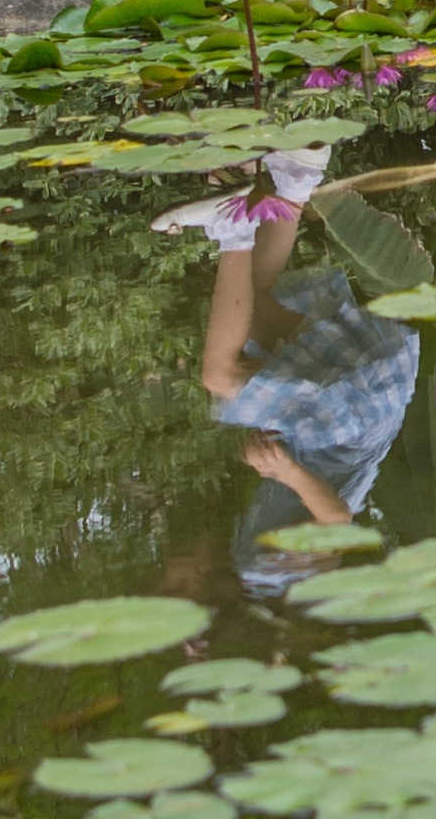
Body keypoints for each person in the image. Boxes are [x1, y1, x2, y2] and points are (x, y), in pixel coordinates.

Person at [158, 154, 416, 593]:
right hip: (345, 422)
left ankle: (299, 175)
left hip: (367, 405)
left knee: (252, 304)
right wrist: (285, 471)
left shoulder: (254, 560)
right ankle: (232, 222)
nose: (172, 560)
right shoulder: (272, 570)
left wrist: (278, 453)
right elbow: (336, 520)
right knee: (220, 377)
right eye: (178, 576)